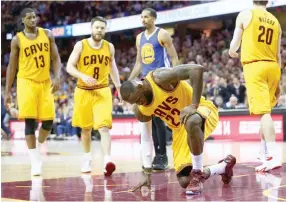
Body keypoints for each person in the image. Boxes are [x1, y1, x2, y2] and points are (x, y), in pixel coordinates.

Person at [120, 64, 236, 195]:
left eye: (138, 99)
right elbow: (146, 137)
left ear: (140, 86)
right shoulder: (140, 110)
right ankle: (223, 167)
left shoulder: (159, 78)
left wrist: (194, 105)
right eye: (134, 103)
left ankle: (198, 173)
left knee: (191, 121)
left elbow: (196, 70)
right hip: (179, 130)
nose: (138, 103)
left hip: (201, 111)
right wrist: (147, 173)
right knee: (185, 181)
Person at [4, 8, 61, 176]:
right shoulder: (17, 40)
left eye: (34, 17)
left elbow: (56, 58)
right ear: (22, 20)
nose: (32, 20)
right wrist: (7, 91)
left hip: (45, 82)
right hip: (26, 82)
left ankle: (39, 144)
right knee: (30, 123)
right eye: (29, 17)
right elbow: (12, 67)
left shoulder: (48, 34)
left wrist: (57, 77)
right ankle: (35, 161)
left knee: (49, 121)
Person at [229, 0, 282, 172]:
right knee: (265, 113)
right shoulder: (276, 21)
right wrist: (279, 78)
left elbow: (234, 44)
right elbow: (278, 54)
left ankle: (274, 157)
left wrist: (232, 51)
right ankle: (264, 151)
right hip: (273, 67)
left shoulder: (245, 14)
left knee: (264, 113)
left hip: (255, 66)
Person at [66, 16, 121, 176]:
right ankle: (87, 157)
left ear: (105, 30)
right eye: (97, 27)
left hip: (102, 90)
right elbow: (69, 66)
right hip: (83, 90)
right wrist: (82, 76)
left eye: (102, 28)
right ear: (91, 28)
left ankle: (108, 160)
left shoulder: (109, 47)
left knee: (104, 127)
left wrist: (118, 87)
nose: (99, 30)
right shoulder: (81, 45)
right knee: (86, 129)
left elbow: (113, 67)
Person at [128, 8, 179, 170]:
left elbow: (174, 58)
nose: (143, 19)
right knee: (146, 118)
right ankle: (149, 156)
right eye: (142, 17)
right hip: (145, 82)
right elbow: (138, 63)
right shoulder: (139, 38)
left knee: (157, 118)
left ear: (154, 18)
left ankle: (162, 155)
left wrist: (175, 78)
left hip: (160, 80)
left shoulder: (162, 34)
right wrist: (129, 81)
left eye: (147, 17)